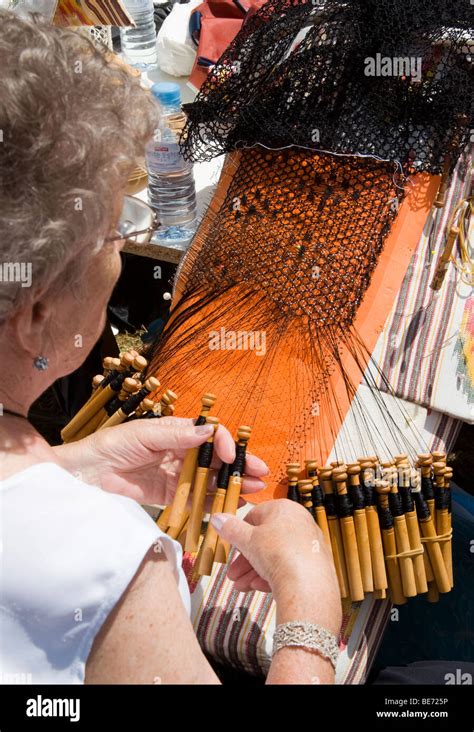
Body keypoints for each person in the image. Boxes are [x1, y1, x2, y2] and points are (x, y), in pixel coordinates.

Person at [0, 10, 342, 685]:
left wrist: (75, 465)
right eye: (110, 237)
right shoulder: (105, 563)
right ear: (36, 314)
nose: (121, 252)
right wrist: (309, 614)